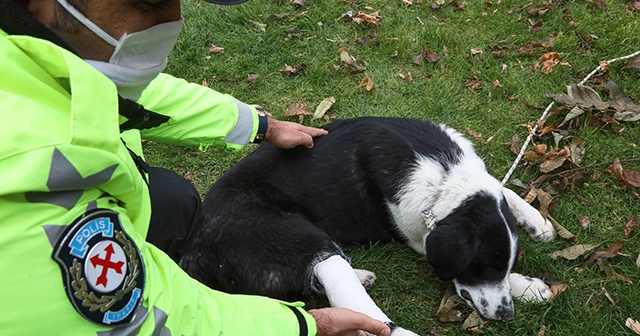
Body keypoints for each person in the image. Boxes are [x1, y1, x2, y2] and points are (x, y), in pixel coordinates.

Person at [0, 0, 393, 335]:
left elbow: (132, 97)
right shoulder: (36, 186)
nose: (170, 21)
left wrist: (259, 125)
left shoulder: (40, 59)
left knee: (174, 203)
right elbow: (149, 318)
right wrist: (304, 325)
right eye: (149, 1)